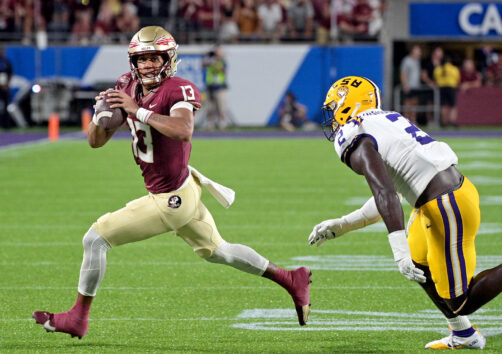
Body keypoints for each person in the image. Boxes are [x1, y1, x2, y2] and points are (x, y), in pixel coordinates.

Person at [32, 26, 311, 340]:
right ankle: (290, 278)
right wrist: (100, 114)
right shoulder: (127, 85)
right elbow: (96, 141)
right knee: (219, 251)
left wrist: (138, 110)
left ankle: (77, 318)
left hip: (170, 200)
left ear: (169, 58)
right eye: (142, 59)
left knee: (94, 239)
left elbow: (182, 129)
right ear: (132, 62)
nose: (148, 65)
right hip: (181, 188)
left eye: (154, 57)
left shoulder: (179, 88)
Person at [308, 76, 502, 350]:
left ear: (349, 104)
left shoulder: (355, 133)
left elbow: (386, 194)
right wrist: (343, 224)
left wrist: (398, 251)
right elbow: (393, 193)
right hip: (442, 199)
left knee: (461, 300)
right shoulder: (384, 120)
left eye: (334, 108)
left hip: (446, 205)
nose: (332, 117)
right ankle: (464, 334)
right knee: (418, 263)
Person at [202, 46, 230, 130]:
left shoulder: (222, 61)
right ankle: (210, 125)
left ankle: (222, 125)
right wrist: (207, 56)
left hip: (220, 88)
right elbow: (202, 64)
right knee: (210, 108)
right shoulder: (209, 60)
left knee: (221, 108)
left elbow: (223, 70)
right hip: (210, 87)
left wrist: (215, 63)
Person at [434, 56, 460, 127]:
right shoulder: (453, 68)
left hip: (441, 88)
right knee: (453, 106)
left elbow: (436, 78)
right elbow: (457, 78)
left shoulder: (438, 69)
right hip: (451, 88)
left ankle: (444, 122)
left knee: (443, 106)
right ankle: (452, 121)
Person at [400, 45, 422, 124]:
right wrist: (405, 84)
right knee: (407, 105)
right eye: (418, 50)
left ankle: (413, 121)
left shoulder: (417, 61)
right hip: (409, 86)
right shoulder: (407, 60)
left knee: (414, 105)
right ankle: (405, 122)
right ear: (413, 51)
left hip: (416, 87)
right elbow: (403, 73)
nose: (420, 53)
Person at [0, 46, 13, 130]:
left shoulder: (6, 62)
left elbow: (11, 74)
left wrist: (7, 84)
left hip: (5, 87)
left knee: (6, 106)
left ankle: (6, 125)